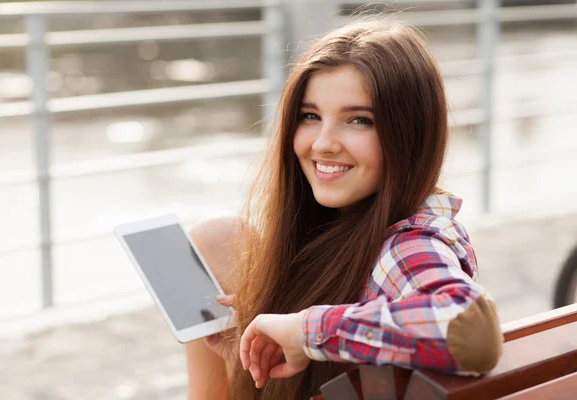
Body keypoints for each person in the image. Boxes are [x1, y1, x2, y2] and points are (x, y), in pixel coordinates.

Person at [184, 18, 503, 400]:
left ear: (410, 133)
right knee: (212, 241)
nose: (324, 143)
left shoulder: (408, 243)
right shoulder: (342, 232)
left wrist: (305, 330)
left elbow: (472, 328)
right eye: (311, 116)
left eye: (358, 120)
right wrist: (254, 355)